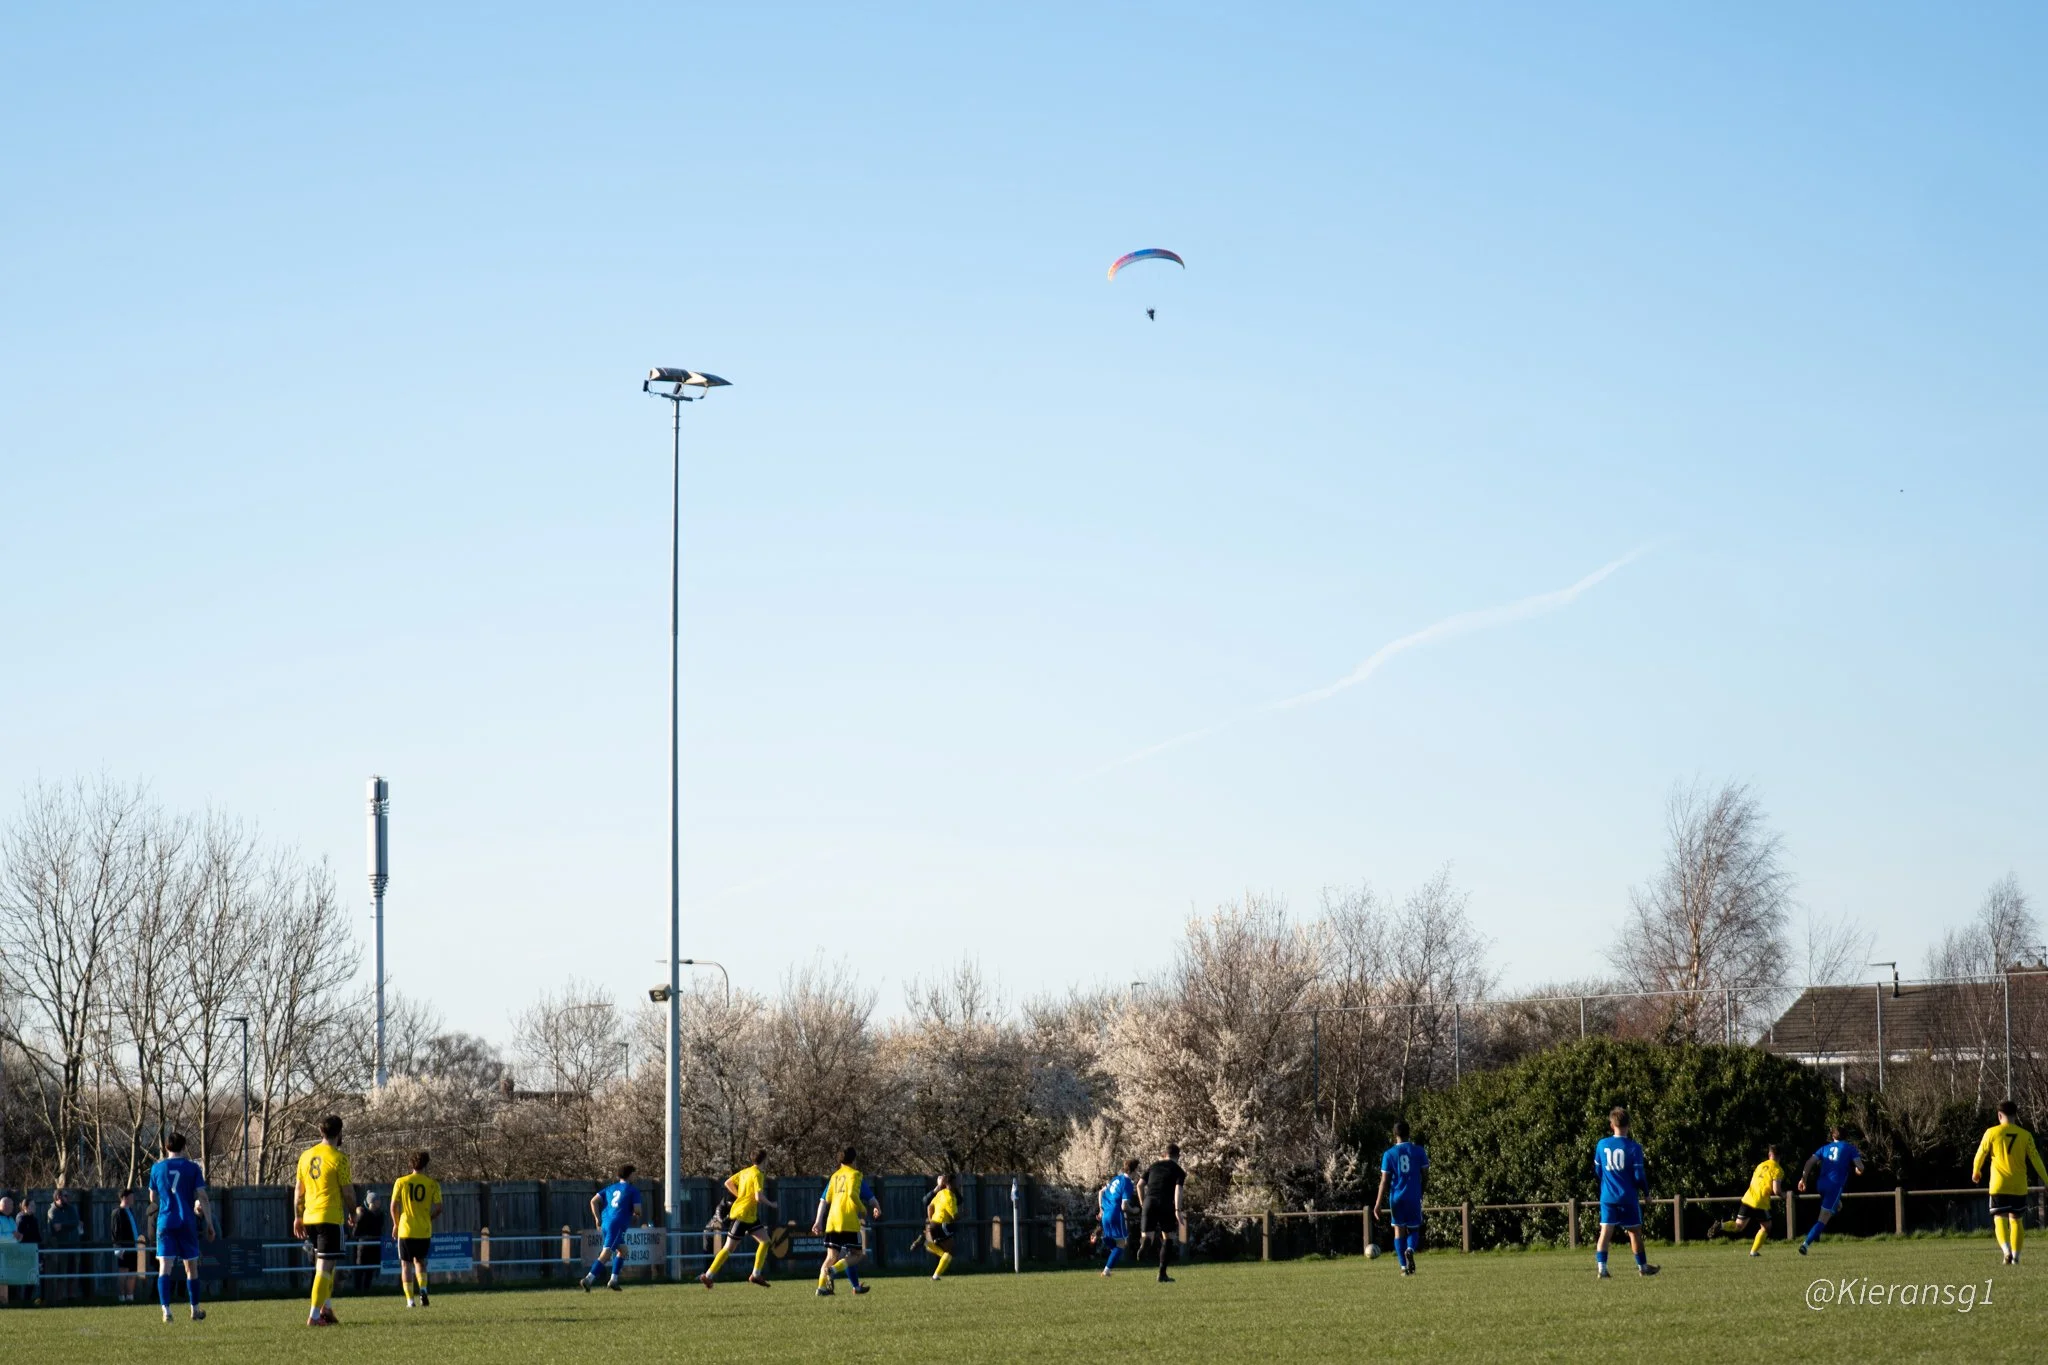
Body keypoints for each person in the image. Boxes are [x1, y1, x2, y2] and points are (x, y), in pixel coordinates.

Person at [294, 1113, 354, 1326]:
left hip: (310, 1218)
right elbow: (348, 1192)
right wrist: (353, 1212)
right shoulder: (339, 1158)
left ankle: (326, 1308)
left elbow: (299, 1191)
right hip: (329, 1217)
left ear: (320, 1132)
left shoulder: (305, 1156)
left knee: (328, 1265)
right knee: (324, 1267)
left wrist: (297, 1216)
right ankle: (314, 1316)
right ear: (339, 1133)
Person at [147, 1132, 213, 1322]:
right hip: (186, 1221)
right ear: (184, 1147)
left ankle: (166, 1311)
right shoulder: (192, 1168)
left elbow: (152, 1198)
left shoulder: (157, 1168)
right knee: (191, 1267)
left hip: (165, 1222)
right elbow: (203, 1196)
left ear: (166, 1147)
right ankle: (195, 1310)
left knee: (164, 1267)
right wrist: (208, 1222)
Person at [1973, 1100, 2048, 1265]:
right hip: (2019, 1185)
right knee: (2016, 1219)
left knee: (1999, 1217)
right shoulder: (2026, 1135)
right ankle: (2016, 1257)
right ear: (2016, 1116)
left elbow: (1980, 1154)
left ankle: (2006, 1251)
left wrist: (1976, 1172)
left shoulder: (1991, 1133)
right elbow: (2036, 1160)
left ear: (1999, 1115)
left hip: (1999, 1184)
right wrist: (2046, 1180)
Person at [1593, 1107, 1658, 1278]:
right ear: (1628, 1125)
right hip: (1628, 1197)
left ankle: (1602, 1269)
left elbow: (1598, 1171)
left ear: (1611, 1125)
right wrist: (1646, 1192)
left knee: (1605, 1232)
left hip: (1607, 1196)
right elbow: (1639, 1175)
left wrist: (1609, 1182)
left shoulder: (1602, 1144)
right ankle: (1643, 1267)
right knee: (1634, 1232)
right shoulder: (1634, 1147)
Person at [701, 1149, 777, 1289]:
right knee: (731, 1247)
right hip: (743, 1215)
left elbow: (728, 1182)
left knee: (765, 1242)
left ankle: (754, 1274)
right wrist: (771, 1204)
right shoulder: (758, 1174)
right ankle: (710, 1275)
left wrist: (739, 1196)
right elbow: (758, 1197)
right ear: (764, 1160)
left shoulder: (745, 1172)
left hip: (747, 1216)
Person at [812, 1146, 880, 1297]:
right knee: (856, 1254)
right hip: (848, 1220)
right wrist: (871, 1208)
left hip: (832, 1221)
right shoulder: (856, 1175)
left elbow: (823, 1200)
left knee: (831, 1257)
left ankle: (821, 1288)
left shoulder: (834, 1177)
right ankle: (834, 1270)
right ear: (854, 1160)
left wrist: (818, 1221)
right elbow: (868, 1197)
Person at [1372, 1121, 1429, 1276]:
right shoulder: (1419, 1151)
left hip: (1396, 1198)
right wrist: (1420, 1191)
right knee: (1414, 1228)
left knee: (1399, 1231)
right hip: (1413, 1197)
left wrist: (1377, 1203)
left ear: (1395, 1135)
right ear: (1409, 1133)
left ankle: (1404, 1268)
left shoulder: (1389, 1154)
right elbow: (1425, 1175)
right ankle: (1410, 1250)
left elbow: (1384, 1180)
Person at [1796, 1126, 1864, 1255]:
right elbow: (1860, 1166)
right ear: (1846, 1136)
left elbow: (1810, 1162)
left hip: (1821, 1184)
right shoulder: (1849, 1148)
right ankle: (1805, 1244)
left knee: (1836, 1206)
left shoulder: (1825, 1148)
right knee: (1823, 1218)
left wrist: (1803, 1179)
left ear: (1833, 1137)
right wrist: (1858, 1170)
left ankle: (1824, 1220)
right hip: (1834, 1186)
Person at [1708, 1145, 1783, 1256]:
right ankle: (1753, 1252)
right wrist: (1784, 1195)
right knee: (1767, 1226)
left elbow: (1753, 1181)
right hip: (1760, 1202)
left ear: (1769, 1155)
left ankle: (1722, 1225)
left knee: (1738, 1226)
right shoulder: (1778, 1169)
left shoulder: (1760, 1165)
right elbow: (1777, 1190)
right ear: (1780, 1156)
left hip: (1748, 1198)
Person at [390, 1150, 442, 1307]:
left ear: (410, 1164)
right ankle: (424, 1290)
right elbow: (439, 1208)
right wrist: (429, 1218)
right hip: (424, 1230)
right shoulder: (432, 1184)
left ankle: (410, 1301)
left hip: (406, 1229)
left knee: (405, 1264)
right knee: (420, 1262)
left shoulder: (401, 1181)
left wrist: (396, 1224)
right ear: (426, 1165)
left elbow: (393, 1206)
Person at [582, 1165, 642, 1292]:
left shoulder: (610, 1188)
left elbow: (593, 1201)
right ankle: (589, 1279)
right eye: (635, 1174)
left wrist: (597, 1218)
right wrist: (636, 1215)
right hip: (617, 1224)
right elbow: (638, 1210)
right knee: (607, 1252)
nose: (636, 1176)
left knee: (623, 1250)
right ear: (630, 1175)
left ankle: (613, 1280)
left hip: (606, 1223)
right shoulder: (632, 1190)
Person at [1138, 1143, 1187, 1284]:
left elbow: (1140, 1185)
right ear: (1178, 1156)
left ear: (1164, 1154)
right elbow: (1178, 1190)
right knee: (1169, 1237)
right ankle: (1162, 1274)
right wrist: (1177, 1210)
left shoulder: (1153, 1166)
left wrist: (1142, 1203)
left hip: (1149, 1201)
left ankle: (1146, 1242)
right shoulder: (1179, 1171)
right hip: (1166, 1203)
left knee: (1147, 1235)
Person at [1097, 1159, 1138, 1276]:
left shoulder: (1116, 1178)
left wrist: (1101, 1209)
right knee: (1121, 1244)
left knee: (1112, 1241)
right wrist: (1134, 1210)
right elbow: (1124, 1206)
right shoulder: (1127, 1183)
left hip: (1105, 1213)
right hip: (1115, 1214)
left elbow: (1100, 1192)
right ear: (1134, 1170)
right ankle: (1106, 1271)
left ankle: (1104, 1240)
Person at [348, 1190, 386, 1293]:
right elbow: (356, 1232)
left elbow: (380, 1230)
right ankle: (357, 1289)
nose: (379, 1202)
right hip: (363, 1245)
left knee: (370, 1269)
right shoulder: (363, 1214)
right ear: (371, 1202)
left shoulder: (380, 1215)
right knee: (360, 1268)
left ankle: (367, 1289)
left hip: (375, 1245)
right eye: (377, 1200)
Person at [923, 1173, 959, 1281]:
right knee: (950, 1252)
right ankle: (935, 1276)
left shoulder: (941, 1193)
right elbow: (954, 1216)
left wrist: (930, 1220)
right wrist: (964, 1214)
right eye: (957, 1182)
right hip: (942, 1225)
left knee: (946, 1253)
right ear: (951, 1183)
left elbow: (930, 1206)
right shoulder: (949, 1197)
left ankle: (928, 1245)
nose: (959, 1184)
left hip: (934, 1223)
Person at [111, 1189, 143, 1303]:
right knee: (123, 1271)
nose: (133, 1199)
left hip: (133, 1247)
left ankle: (130, 1296)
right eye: (131, 1197)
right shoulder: (118, 1212)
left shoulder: (131, 1211)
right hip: (123, 1247)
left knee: (133, 1272)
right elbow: (115, 1231)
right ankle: (121, 1297)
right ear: (124, 1198)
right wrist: (118, 1248)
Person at [14, 1197, 41, 1305]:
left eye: (35, 1206)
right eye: (32, 1206)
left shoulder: (34, 1219)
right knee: (25, 1275)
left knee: (33, 1275)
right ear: (25, 1207)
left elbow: (37, 1235)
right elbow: (20, 1236)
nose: (34, 1208)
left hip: (34, 1250)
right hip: (24, 1251)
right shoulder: (21, 1219)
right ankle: (23, 1300)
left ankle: (29, 1298)